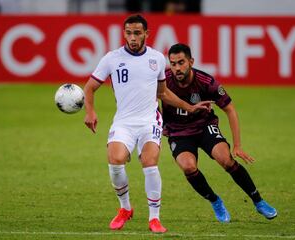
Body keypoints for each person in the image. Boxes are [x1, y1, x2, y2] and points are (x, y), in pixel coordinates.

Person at [83, 15, 209, 233]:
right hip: (124, 121)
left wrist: (188, 107)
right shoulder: (111, 59)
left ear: (146, 34)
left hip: (150, 120)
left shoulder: (157, 59)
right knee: (115, 160)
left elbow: (163, 93)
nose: (132, 38)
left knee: (149, 162)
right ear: (124, 34)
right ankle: (125, 209)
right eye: (128, 33)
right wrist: (90, 111)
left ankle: (154, 218)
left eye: (137, 33)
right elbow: (89, 87)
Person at [161, 43, 277, 223]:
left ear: (191, 61)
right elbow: (147, 100)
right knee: (188, 167)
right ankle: (215, 200)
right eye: (173, 63)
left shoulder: (206, 82)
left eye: (181, 62)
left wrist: (237, 145)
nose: (177, 68)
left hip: (204, 127)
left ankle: (259, 201)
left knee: (226, 160)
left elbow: (230, 109)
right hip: (178, 132)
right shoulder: (163, 81)